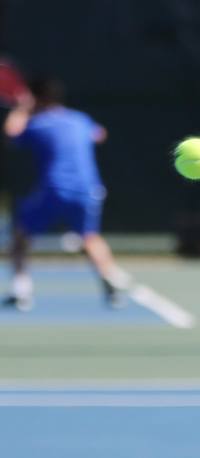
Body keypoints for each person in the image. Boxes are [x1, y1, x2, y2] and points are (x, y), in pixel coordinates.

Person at [2, 74, 128, 310]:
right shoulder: (80, 120)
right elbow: (99, 134)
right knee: (89, 236)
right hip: (89, 189)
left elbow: (11, 134)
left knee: (19, 237)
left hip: (54, 189)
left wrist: (21, 108)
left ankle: (21, 291)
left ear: (36, 98)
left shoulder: (39, 123)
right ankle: (111, 282)